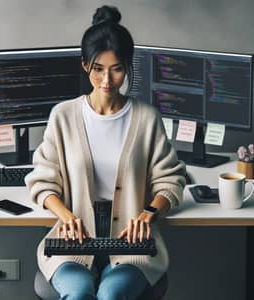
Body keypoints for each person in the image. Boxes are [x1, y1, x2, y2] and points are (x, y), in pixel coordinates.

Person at [25, 5, 186, 300]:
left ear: (127, 66)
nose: (107, 81)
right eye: (98, 69)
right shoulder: (63, 116)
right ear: (85, 65)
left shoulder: (147, 118)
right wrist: (66, 217)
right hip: (72, 243)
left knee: (110, 295)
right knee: (78, 292)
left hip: (131, 244)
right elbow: (41, 181)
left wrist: (149, 213)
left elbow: (171, 180)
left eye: (117, 69)